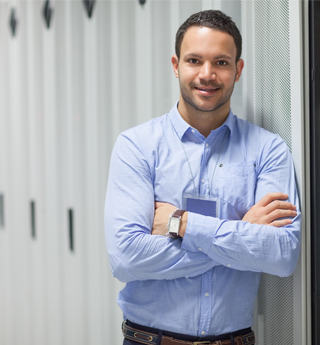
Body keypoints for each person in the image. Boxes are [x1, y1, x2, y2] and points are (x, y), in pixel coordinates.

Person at [104, 10, 301, 345]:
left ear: (238, 70)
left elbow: (282, 256)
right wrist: (241, 235)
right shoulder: (137, 146)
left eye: (221, 63)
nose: (207, 74)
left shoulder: (268, 150)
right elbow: (126, 258)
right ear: (176, 65)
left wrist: (182, 224)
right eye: (194, 60)